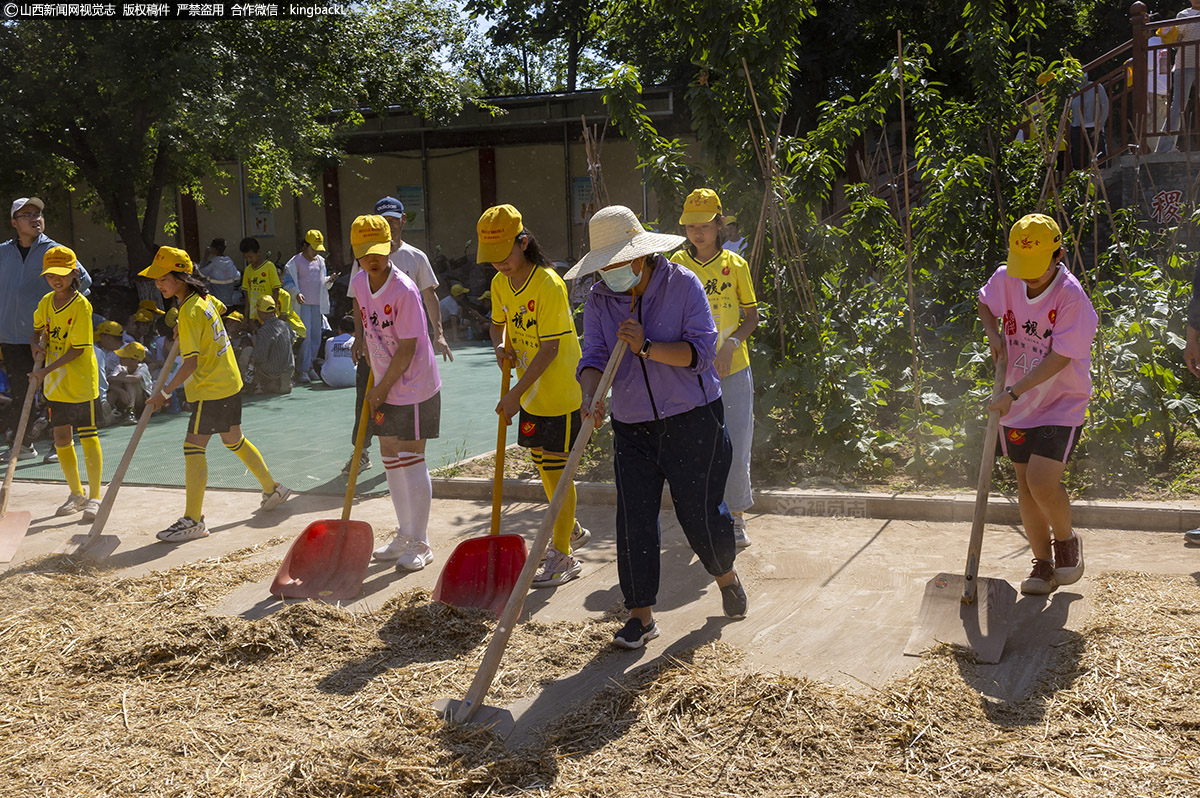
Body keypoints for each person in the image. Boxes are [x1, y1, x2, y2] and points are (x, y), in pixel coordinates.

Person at [566, 205, 747, 649]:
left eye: (615, 262)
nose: (609, 273)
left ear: (639, 256)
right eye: (602, 266)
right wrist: (591, 394)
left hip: (693, 417)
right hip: (633, 425)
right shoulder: (599, 299)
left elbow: (701, 354)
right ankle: (640, 616)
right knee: (634, 519)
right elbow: (591, 356)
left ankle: (725, 575)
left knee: (699, 512)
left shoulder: (683, 285)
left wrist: (646, 345)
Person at [978, 214, 1098, 594]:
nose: (1028, 276)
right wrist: (993, 332)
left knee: (1041, 482)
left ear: (1058, 254)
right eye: (1022, 267)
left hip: (1061, 401)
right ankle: (1042, 566)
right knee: (1025, 487)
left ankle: (1066, 541)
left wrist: (1012, 393)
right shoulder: (1007, 277)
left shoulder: (1070, 297)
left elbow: (1060, 358)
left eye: (1037, 267)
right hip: (1017, 407)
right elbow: (985, 303)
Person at [143, 246, 292, 542]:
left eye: (163, 278)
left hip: (212, 387)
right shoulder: (204, 299)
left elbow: (192, 361)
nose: (159, 284)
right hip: (227, 381)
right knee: (233, 439)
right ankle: (273, 488)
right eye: (156, 279)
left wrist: (165, 391)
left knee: (193, 447)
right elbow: (220, 310)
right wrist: (186, 332)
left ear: (181, 278)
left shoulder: (189, 310)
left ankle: (194, 519)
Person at [477, 204, 590, 587]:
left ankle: (563, 556)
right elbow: (497, 326)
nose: (500, 265)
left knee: (558, 472)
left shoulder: (548, 284)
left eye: (504, 256)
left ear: (523, 243)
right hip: (531, 395)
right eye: (492, 260)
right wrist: (500, 349)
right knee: (543, 465)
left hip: (559, 391)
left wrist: (512, 395)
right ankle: (568, 528)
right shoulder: (499, 284)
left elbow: (550, 349)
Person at [351, 215, 441, 572]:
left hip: (415, 384)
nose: (372, 259)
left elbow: (407, 348)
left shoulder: (404, 289)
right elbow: (365, 320)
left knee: (410, 455)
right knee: (389, 453)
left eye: (378, 250)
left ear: (389, 247)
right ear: (355, 253)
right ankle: (404, 533)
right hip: (383, 379)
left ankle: (421, 541)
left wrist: (381, 388)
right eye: (364, 252)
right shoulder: (359, 282)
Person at [671, 189, 760, 547]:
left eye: (705, 225)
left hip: (733, 369)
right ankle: (704, 514)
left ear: (719, 224)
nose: (698, 233)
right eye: (691, 226)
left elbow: (751, 317)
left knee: (736, 446)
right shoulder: (676, 263)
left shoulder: (735, 265)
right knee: (695, 447)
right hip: (689, 370)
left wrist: (732, 344)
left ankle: (736, 516)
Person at [1, 197, 92, 462]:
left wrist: (63, 315)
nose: (35, 218)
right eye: (27, 214)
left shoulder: (56, 252)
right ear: (14, 222)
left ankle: (61, 443)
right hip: (11, 335)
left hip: (49, 337)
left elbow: (83, 283)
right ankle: (24, 445)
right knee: (21, 391)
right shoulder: (2, 252)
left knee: (55, 391)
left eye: (38, 213)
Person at [28, 246, 104, 519]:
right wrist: (34, 344)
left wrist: (45, 369)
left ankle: (95, 496)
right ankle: (76, 493)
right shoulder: (47, 302)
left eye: (62, 274)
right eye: (51, 275)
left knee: (88, 436)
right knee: (61, 437)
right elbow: (36, 329)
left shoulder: (82, 306)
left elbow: (78, 350)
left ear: (74, 274)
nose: (56, 280)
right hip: (56, 386)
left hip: (81, 382)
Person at [373, 197, 453, 361]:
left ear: (403, 220)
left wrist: (439, 335)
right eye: (383, 221)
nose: (388, 225)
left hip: (414, 339)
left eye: (392, 220)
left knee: (423, 386)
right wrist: (359, 338)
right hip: (378, 342)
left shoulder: (417, 256)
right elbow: (358, 300)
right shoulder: (366, 259)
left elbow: (430, 297)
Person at [283, 230, 329, 383]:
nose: (315, 251)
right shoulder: (294, 262)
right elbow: (287, 283)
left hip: (317, 304)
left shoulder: (321, 261)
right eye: (313, 248)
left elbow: (323, 281)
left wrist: (330, 280)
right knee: (305, 337)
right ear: (305, 245)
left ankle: (310, 367)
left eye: (317, 248)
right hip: (303, 305)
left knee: (316, 336)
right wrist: (296, 293)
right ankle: (302, 369)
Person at [1157, 0, 1200, 153]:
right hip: (1185, 63)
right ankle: (1165, 147)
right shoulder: (1183, 15)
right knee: (1178, 105)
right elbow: (1176, 41)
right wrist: (1168, 32)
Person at [250, 296, 295, 395]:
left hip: (272, 371)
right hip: (288, 368)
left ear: (260, 312)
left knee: (248, 352)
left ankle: (258, 386)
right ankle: (283, 380)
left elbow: (259, 357)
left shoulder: (264, 330)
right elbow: (293, 338)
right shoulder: (285, 325)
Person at [108, 341, 153, 424]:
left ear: (134, 359)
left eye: (124, 357)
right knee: (116, 385)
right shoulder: (121, 367)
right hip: (125, 399)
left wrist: (121, 377)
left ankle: (131, 412)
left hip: (142, 403)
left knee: (129, 382)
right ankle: (107, 413)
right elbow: (109, 380)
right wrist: (121, 391)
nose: (120, 357)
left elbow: (134, 379)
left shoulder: (143, 367)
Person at [239, 237, 279, 322]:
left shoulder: (269, 266)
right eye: (245, 257)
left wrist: (274, 309)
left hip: (267, 313)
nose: (248, 260)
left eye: (250, 257)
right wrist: (246, 316)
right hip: (254, 315)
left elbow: (276, 289)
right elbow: (248, 295)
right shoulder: (247, 270)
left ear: (259, 252)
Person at [199, 238, 241, 307]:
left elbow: (201, 273)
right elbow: (237, 277)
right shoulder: (230, 262)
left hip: (216, 304)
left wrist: (205, 257)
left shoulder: (213, 264)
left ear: (214, 249)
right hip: (228, 303)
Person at [320, 315, 358, 388]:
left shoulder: (329, 341)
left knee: (317, 362)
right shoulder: (356, 342)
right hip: (353, 379)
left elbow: (327, 359)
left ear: (339, 329)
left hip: (330, 380)